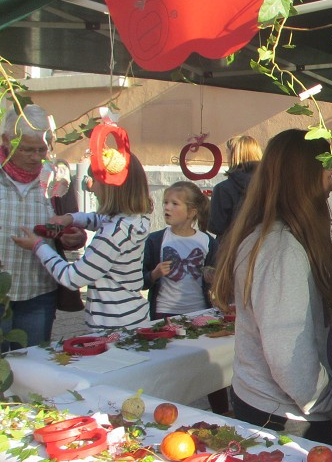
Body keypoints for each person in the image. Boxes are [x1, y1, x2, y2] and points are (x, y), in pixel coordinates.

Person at [210, 129, 332, 444]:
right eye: (327, 170)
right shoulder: (281, 249)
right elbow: (288, 356)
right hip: (283, 418)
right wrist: (330, 398)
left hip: (281, 408)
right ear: (304, 175)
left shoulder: (284, 239)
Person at [14, 154, 152, 329]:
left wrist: (37, 246)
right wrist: (70, 218)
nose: (91, 189)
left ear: (111, 187)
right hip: (132, 316)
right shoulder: (134, 219)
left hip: (113, 325)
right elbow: (99, 219)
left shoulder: (113, 235)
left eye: (94, 181)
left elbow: (72, 278)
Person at [0, 101, 84, 347]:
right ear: (6, 140)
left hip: (38, 292)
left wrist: (74, 237)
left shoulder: (56, 176)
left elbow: (73, 225)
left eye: (42, 149)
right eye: (27, 149)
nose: (36, 157)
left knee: (34, 365)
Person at [143, 181, 218, 320]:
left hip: (199, 311)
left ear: (191, 212)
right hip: (163, 312)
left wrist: (213, 277)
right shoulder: (155, 240)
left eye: (174, 204)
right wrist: (154, 274)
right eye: (165, 202)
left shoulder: (208, 242)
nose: (167, 207)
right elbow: (140, 280)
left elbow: (219, 278)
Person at [208, 135, 262, 238]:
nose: (226, 156)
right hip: (262, 245)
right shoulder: (271, 185)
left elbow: (216, 226)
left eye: (227, 152)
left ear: (234, 155)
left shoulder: (223, 189)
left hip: (231, 247)